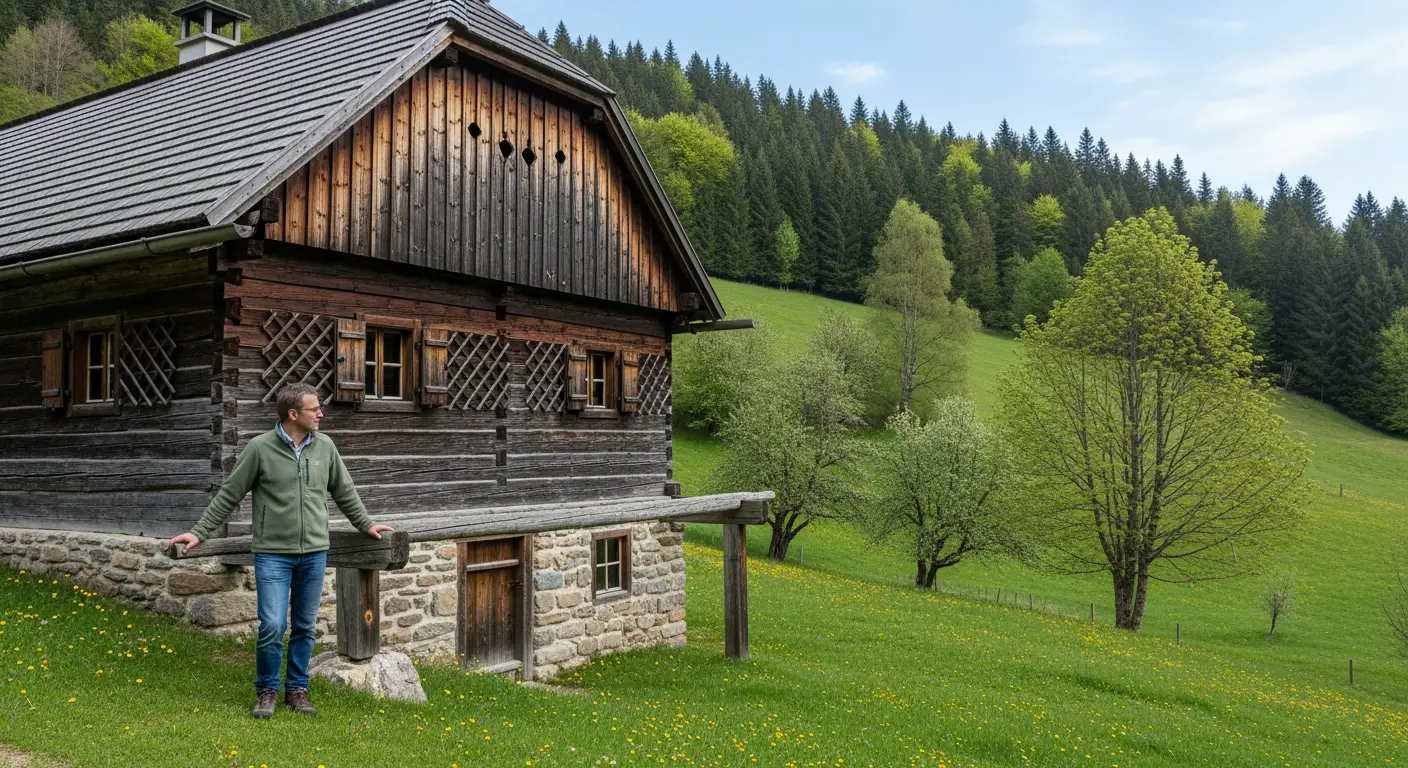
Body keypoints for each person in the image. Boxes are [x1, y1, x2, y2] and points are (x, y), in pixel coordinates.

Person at [168, 383, 393, 719]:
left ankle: (297, 690)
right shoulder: (260, 449)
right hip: (273, 553)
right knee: (272, 625)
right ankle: (267, 691)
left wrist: (366, 524)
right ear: (293, 414)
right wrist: (200, 532)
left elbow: (344, 490)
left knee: (304, 626)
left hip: (314, 552)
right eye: (314, 409)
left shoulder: (325, 447)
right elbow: (231, 493)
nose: (321, 413)